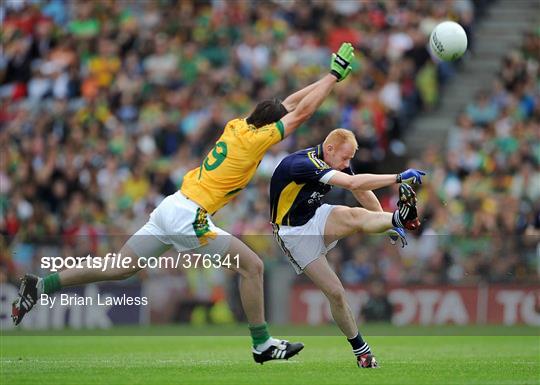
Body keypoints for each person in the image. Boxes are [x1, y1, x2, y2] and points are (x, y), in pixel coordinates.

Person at [11, 43, 356, 364]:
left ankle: (41, 285)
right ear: (270, 126)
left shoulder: (237, 126)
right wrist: (333, 77)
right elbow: (301, 112)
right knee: (252, 266)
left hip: (171, 207)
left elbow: (290, 104)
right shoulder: (257, 142)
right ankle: (261, 343)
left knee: (119, 267)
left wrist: (327, 78)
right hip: (189, 216)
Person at [269, 128, 425, 368]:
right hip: (293, 234)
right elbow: (353, 182)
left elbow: (359, 189)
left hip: (315, 217)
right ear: (329, 148)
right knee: (336, 293)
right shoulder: (301, 164)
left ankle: (398, 218)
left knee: (354, 217)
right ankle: (362, 352)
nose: (347, 163)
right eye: (345, 158)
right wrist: (398, 177)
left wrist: (385, 222)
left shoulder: (333, 161)